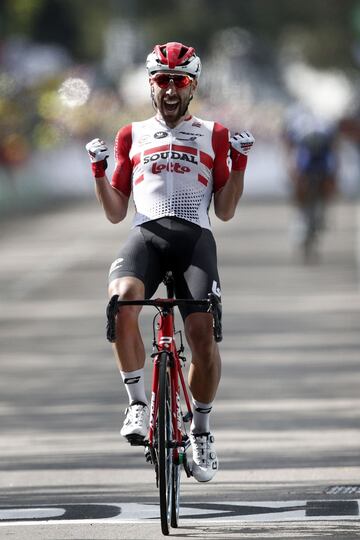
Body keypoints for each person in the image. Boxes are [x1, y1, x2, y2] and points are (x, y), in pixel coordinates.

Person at [85, 41, 254, 482]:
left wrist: (239, 165)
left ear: (192, 86)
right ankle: (138, 403)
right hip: (146, 234)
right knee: (121, 303)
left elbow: (226, 210)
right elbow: (115, 212)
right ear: (151, 85)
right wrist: (99, 172)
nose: (170, 89)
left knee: (202, 336)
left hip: (195, 239)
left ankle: (201, 430)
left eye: (179, 81)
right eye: (162, 81)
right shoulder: (131, 134)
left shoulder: (215, 134)